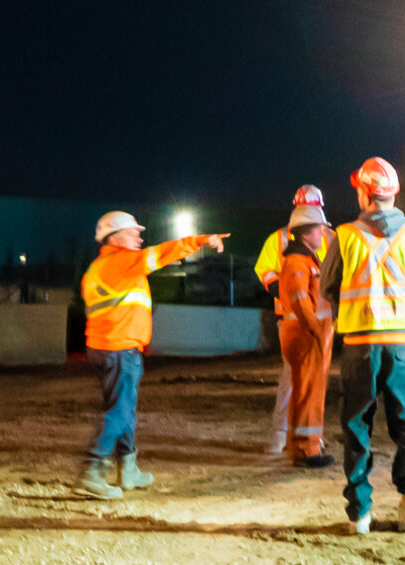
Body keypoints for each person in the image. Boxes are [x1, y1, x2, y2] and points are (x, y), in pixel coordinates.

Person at [77, 210, 223, 499]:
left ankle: (127, 469)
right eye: (133, 232)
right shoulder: (123, 261)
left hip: (110, 346)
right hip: (119, 348)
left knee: (124, 411)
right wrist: (199, 240)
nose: (139, 236)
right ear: (114, 236)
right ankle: (91, 472)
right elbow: (160, 254)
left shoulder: (99, 266)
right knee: (119, 413)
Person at [329, 156, 405, 533]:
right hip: (404, 346)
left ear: (365, 192)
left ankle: (361, 515)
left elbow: (328, 289)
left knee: (357, 426)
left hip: (361, 345)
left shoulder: (344, 236)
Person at [253, 185, 328, 454]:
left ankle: (305, 436)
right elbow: (266, 271)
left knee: (309, 382)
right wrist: (289, 295)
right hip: (297, 320)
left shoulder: (324, 235)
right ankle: (284, 433)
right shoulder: (283, 238)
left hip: (316, 321)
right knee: (293, 381)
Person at [270, 204, 337, 467]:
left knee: (302, 393)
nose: (323, 234)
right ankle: (309, 450)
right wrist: (317, 331)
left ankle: (299, 448)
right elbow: (301, 300)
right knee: (310, 394)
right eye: (320, 229)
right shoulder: (298, 262)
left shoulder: (305, 259)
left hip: (307, 333)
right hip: (306, 335)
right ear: (306, 232)